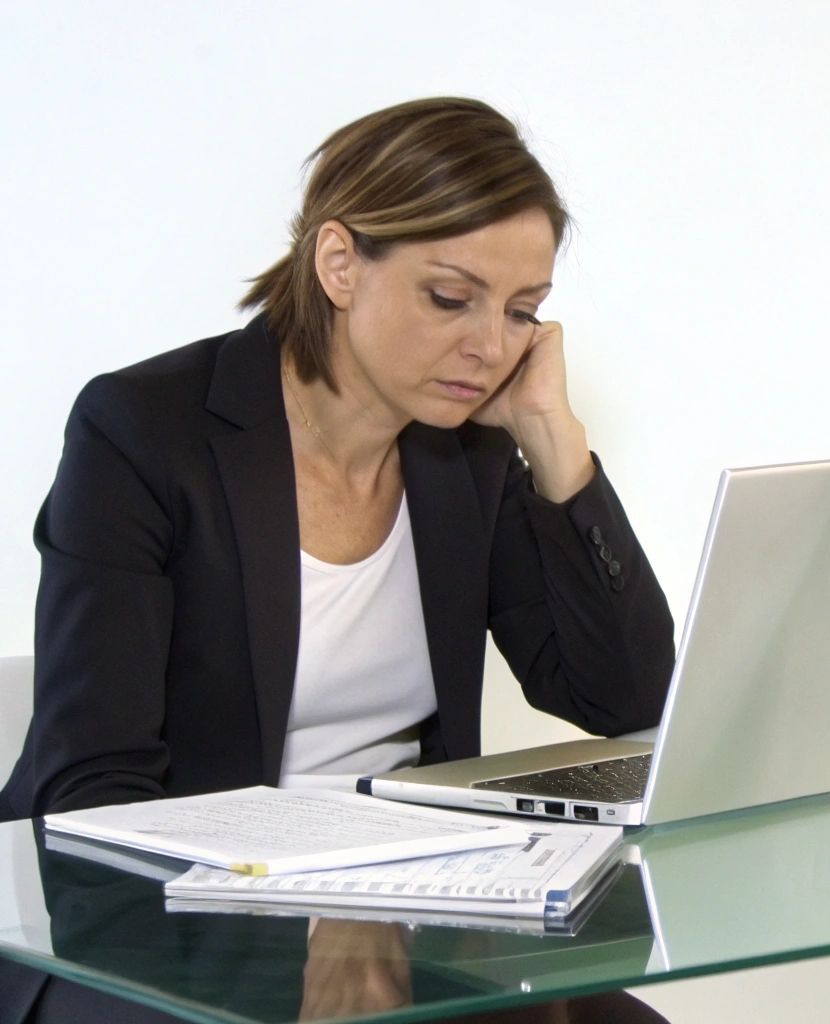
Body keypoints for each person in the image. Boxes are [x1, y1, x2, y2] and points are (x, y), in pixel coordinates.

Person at [0, 97, 675, 1024]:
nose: (489, 345)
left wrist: (558, 453)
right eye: (451, 297)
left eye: (523, 312)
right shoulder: (145, 434)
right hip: (155, 918)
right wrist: (294, 924)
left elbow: (625, 699)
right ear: (340, 263)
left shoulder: (467, 458)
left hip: (399, 908)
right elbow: (93, 789)